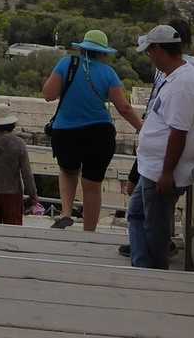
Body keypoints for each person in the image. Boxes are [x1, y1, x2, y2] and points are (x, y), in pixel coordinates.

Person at [41, 30, 142, 232]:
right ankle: (89, 232)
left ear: (83, 49)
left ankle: (66, 213)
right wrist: (142, 128)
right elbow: (124, 108)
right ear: (103, 53)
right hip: (99, 134)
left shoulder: (66, 64)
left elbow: (48, 94)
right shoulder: (108, 73)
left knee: (68, 171)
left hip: (66, 132)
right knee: (93, 185)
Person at [127, 24, 194, 270]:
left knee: (155, 229)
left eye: (149, 51)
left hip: (161, 171)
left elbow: (179, 133)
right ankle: (141, 265)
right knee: (138, 215)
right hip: (151, 168)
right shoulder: (176, 77)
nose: (149, 56)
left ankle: (153, 272)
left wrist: (167, 172)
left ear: (159, 50)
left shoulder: (183, 84)